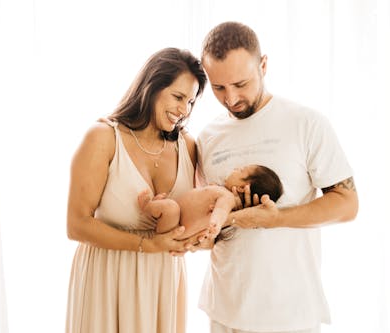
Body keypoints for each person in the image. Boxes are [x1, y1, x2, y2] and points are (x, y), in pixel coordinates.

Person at [193, 22, 359, 333]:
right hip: (223, 311)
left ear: (264, 65)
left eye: (241, 83)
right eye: (218, 88)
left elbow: (347, 204)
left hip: (289, 313)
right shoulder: (207, 138)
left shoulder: (305, 123)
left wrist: (275, 218)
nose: (231, 99)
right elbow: (210, 224)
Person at [65, 47, 207, 333]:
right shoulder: (103, 138)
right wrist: (147, 245)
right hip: (107, 277)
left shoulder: (188, 146)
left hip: (163, 280)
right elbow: (76, 225)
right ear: (152, 87)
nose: (184, 110)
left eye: (191, 101)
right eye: (178, 97)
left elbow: (195, 215)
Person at [138, 164, 284, 240]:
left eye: (240, 170)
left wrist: (216, 223)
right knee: (169, 206)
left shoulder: (227, 198)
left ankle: (147, 206)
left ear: (241, 187)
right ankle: (158, 210)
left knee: (170, 207)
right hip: (174, 222)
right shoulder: (220, 191)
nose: (235, 169)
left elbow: (220, 211)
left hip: (175, 230)